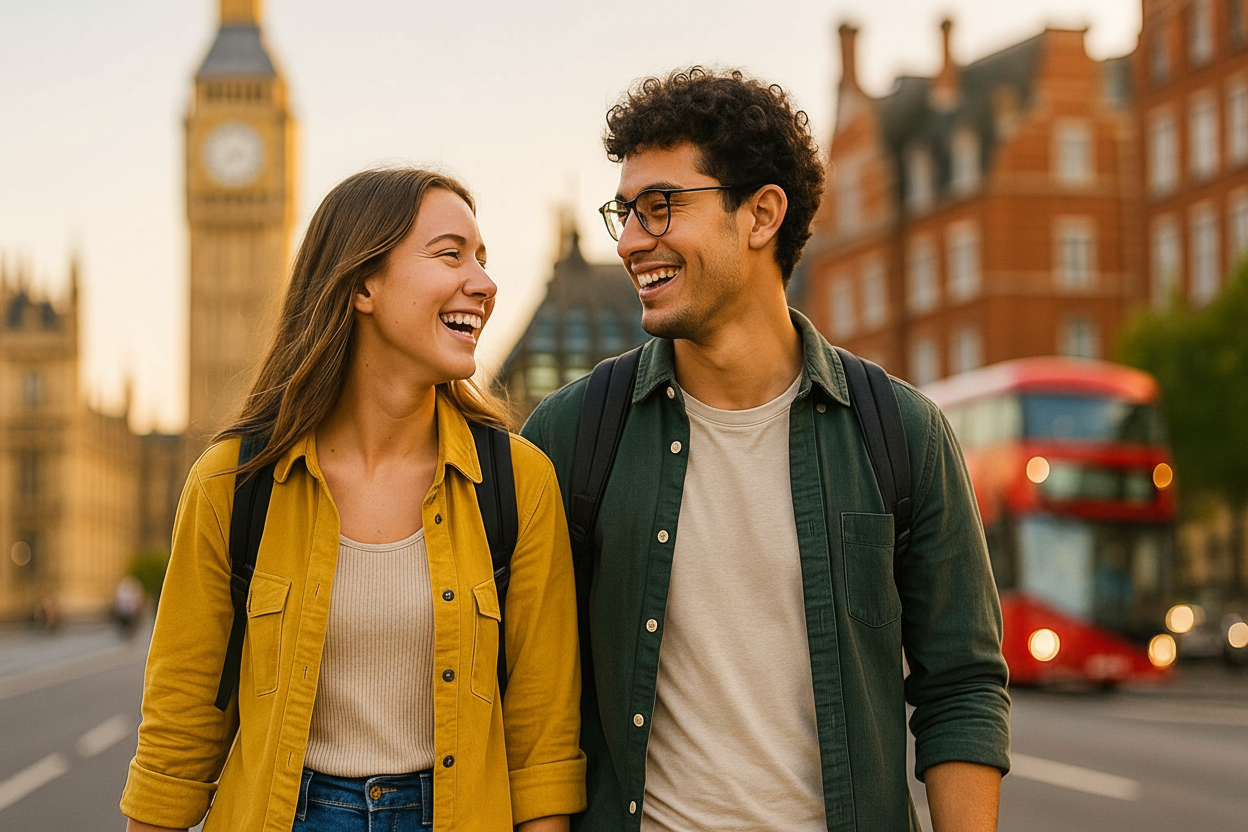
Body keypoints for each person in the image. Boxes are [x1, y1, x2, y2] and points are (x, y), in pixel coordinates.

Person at [521, 68, 1011, 832]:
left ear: (761, 215)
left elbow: (962, 687)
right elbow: (523, 695)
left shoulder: (903, 433)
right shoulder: (571, 435)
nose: (629, 242)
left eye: (659, 208)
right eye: (624, 212)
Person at [121, 167, 586, 832]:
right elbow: (178, 735)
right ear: (362, 284)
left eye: (483, 260)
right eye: (450, 253)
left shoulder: (517, 483)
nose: (483, 283)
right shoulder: (232, 483)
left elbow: (541, 748)